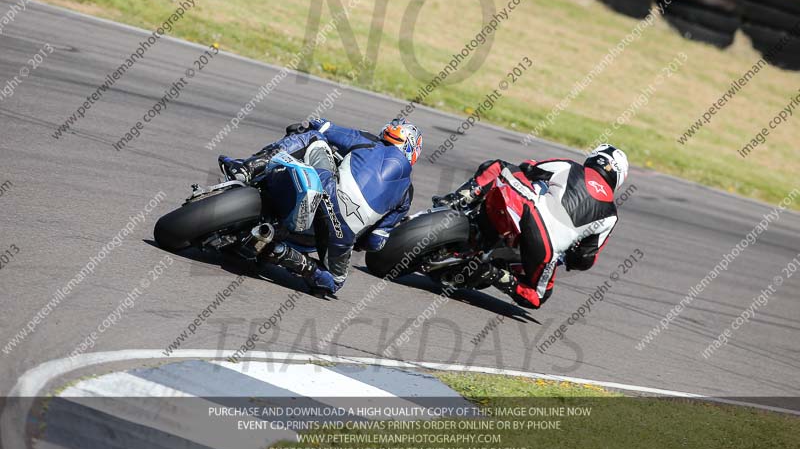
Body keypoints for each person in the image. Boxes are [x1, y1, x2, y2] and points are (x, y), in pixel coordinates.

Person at [219, 118, 422, 296]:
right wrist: (356, 238)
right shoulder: (407, 194)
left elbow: (323, 126)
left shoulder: (369, 140)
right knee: (334, 281)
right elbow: (375, 242)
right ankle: (282, 253)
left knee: (313, 136)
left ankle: (246, 168)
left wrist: (308, 125)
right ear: (413, 150)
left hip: (326, 192)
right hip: (342, 234)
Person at [433, 144, 628, 309]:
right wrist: (570, 255)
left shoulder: (570, 166)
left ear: (595, 158)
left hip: (528, 210)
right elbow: (584, 259)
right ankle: (493, 273)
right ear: (618, 179)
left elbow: (528, 168)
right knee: (537, 297)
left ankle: (455, 201)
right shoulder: (611, 215)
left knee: (500, 167)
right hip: (546, 248)